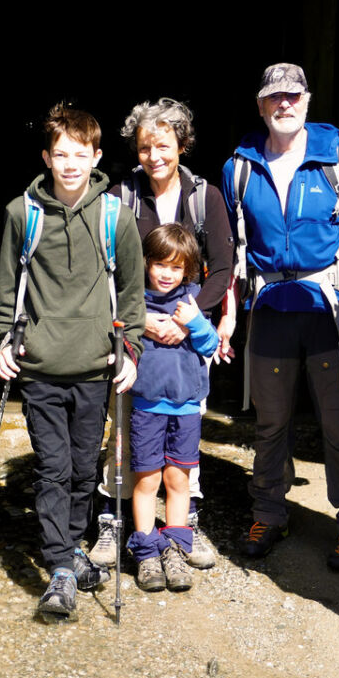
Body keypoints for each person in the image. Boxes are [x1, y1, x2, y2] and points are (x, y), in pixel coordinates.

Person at [221, 63, 339, 569]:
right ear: (260, 105)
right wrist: (229, 314)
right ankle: (269, 512)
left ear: (307, 101)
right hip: (270, 309)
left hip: (329, 311)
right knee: (270, 423)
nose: (284, 104)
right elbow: (232, 249)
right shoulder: (239, 167)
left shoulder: (338, 157)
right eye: (274, 97)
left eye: (293, 96)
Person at [0, 104, 145, 620]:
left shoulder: (115, 217)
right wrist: (5, 341)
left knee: (83, 470)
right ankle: (61, 566)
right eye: (61, 155)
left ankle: (71, 548)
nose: (71, 164)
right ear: (46, 158)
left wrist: (131, 350)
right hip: (39, 367)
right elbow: (6, 292)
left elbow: (132, 294)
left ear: (97, 156)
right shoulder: (22, 214)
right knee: (53, 469)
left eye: (81, 155)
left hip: (96, 367)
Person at [90, 98, 233, 572]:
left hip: (187, 334)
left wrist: (187, 319)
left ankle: (182, 526)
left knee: (182, 438)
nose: (154, 156)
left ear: (182, 145)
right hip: (135, 332)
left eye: (164, 145)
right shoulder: (120, 196)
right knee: (126, 433)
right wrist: (135, 318)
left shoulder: (205, 197)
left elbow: (222, 269)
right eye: (145, 147)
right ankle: (114, 520)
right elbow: (104, 267)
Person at [127, 224, 219, 593]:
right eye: (160, 265)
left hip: (186, 406)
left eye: (176, 267)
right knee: (147, 481)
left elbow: (211, 345)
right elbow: (116, 337)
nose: (167, 274)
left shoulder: (194, 299)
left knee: (178, 481)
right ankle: (147, 553)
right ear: (146, 263)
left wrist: (194, 322)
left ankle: (175, 550)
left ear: (188, 270)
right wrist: (137, 323)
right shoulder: (133, 300)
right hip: (147, 404)